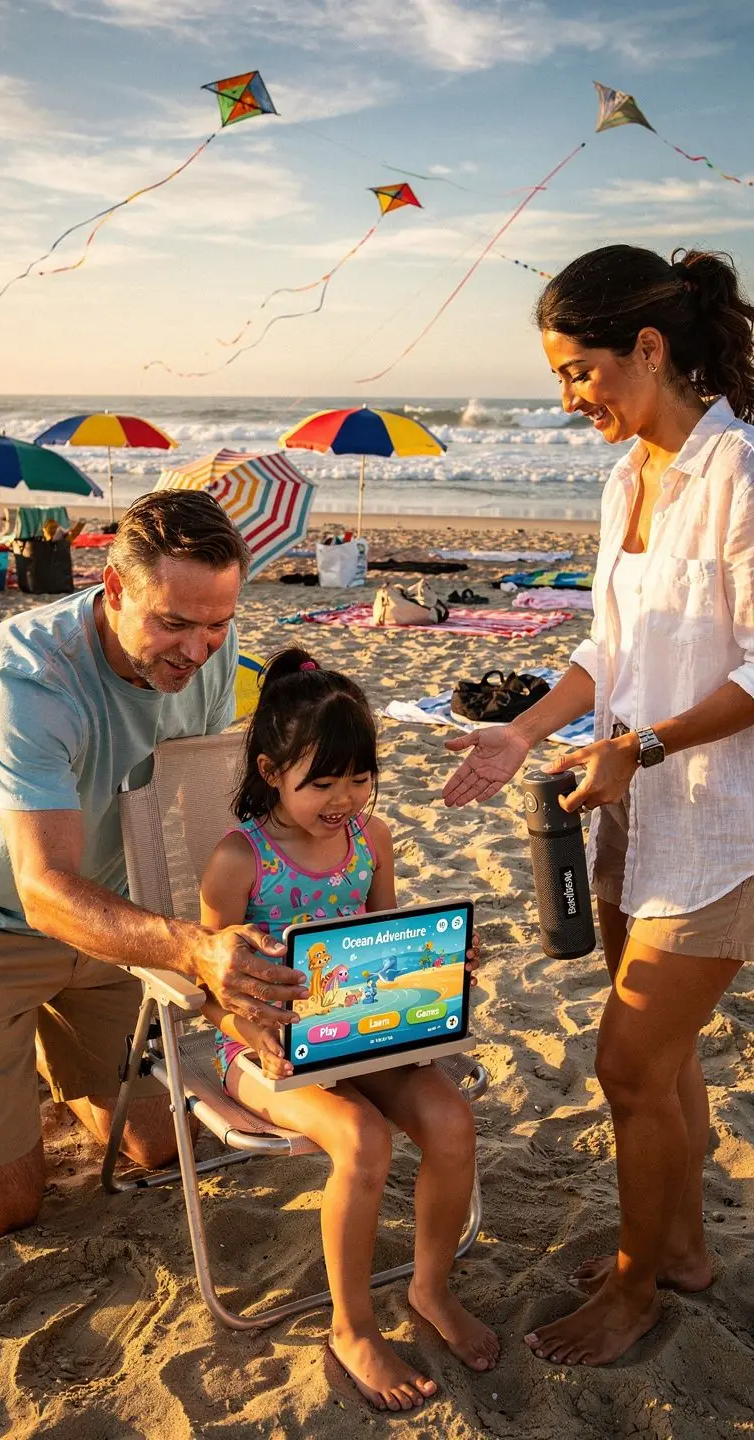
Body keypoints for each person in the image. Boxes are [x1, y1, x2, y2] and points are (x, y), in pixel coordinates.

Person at [443, 245, 754, 1367]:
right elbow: (606, 647)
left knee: (626, 1065)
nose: (571, 399)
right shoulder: (627, 475)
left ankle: (636, 1290)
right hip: (632, 807)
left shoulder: (744, 476)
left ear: (651, 349)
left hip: (726, 828)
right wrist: (523, 730)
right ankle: (680, 1250)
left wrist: (644, 744)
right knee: (665, 1064)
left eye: (581, 373)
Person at [0, 490, 306, 1240]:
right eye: (172, 623)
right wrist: (193, 949)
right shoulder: (26, 681)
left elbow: (190, 813)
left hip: (108, 921)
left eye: (217, 623)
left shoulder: (209, 646)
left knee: (165, 1147)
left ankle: (41, 1055)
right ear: (112, 590)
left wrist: (229, 940)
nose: (199, 651)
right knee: (3, 1213)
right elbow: (43, 890)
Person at [200, 647, 498, 1411]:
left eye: (359, 777)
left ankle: (430, 1288)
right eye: (321, 781)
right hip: (264, 1049)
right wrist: (252, 1024)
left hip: (360, 1033)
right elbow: (207, 987)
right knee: (362, 1141)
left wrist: (439, 968)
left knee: (452, 1120)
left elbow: (383, 936)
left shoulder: (372, 840)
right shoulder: (240, 862)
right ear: (272, 772)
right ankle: (352, 1325)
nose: (344, 797)